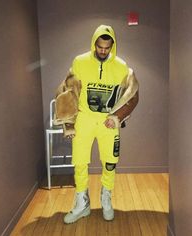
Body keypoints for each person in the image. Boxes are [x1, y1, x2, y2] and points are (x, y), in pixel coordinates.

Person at [54, 25, 139, 224]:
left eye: (106, 48)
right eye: (99, 47)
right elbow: (68, 91)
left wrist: (118, 116)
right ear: (94, 44)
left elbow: (133, 94)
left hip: (107, 121)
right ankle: (82, 204)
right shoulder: (80, 61)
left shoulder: (121, 66)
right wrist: (68, 123)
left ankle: (106, 199)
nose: (102, 51)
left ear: (112, 46)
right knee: (80, 162)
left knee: (110, 161)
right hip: (84, 118)